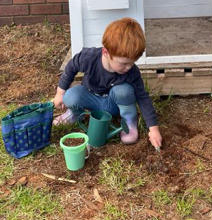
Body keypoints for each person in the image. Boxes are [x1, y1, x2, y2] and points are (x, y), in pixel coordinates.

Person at [52, 17, 163, 149]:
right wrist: (60, 92)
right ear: (106, 52)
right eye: (124, 63)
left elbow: (142, 97)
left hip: (113, 105)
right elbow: (71, 67)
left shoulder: (132, 72)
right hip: (91, 98)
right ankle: (75, 114)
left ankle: (128, 122)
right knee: (70, 96)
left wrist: (154, 129)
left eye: (133, 62)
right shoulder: (89, 57)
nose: (129, 67)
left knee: (124, 91)